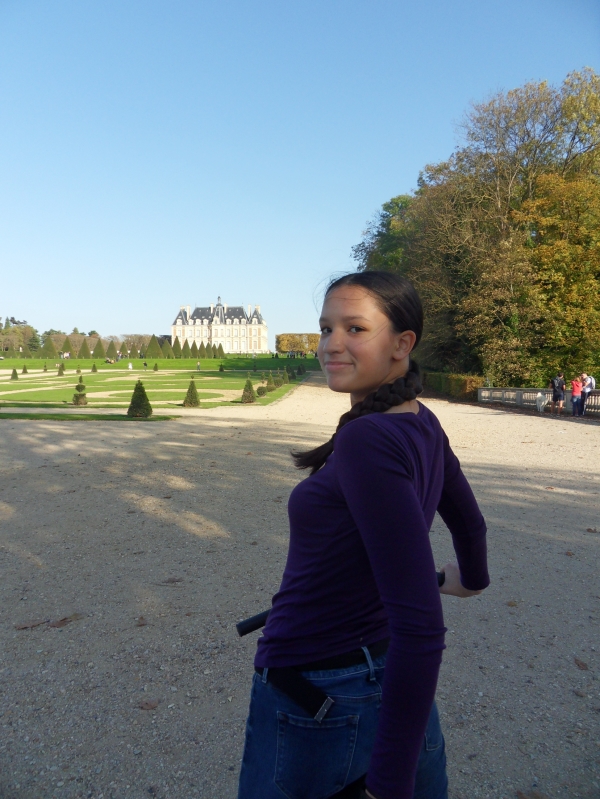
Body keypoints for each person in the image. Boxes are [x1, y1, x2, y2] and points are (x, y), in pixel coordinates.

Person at [237, 272, 489, 799]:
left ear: (402, 344)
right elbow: (469, 523)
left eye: (355, 328)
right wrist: (467, 578)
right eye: (326, 328)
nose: (331, 344)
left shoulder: (367, 439)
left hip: (321, 689)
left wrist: (388, 786)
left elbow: (422, 627)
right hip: (388, 688)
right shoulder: (420, 421)